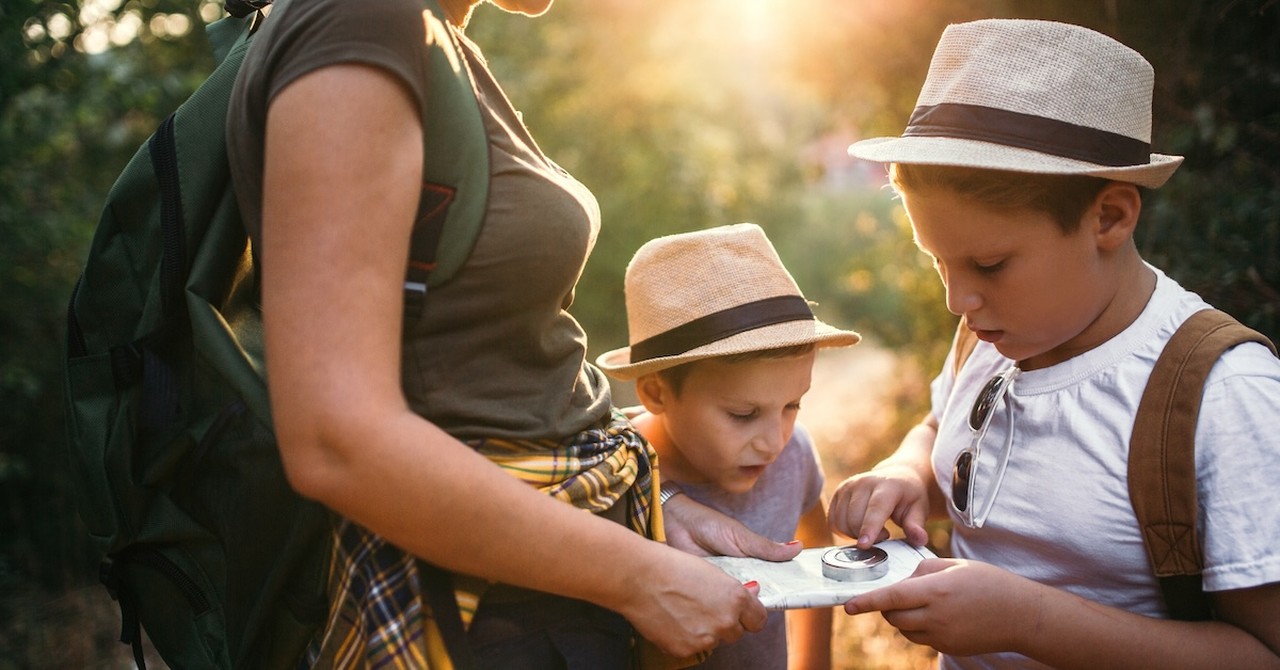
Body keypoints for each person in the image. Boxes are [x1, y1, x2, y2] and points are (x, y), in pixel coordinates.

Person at [224, 0, 801, 667]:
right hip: (489, 616)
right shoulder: (362, 19)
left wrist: (649, 513)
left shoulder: (431, 36)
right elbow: (335, 437)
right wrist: (639, 575)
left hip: (542, 591)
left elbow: (485, 379)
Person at [828, 18, 1280, 669]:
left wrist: (1029, 621)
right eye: (939, 263)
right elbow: (942, 430)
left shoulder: (1223, 398)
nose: (958, 300)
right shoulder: (993, 332)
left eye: (988, 265)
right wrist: (907, 472)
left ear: (1110, 217)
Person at [597, 223, 862, 670]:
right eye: (743, 414)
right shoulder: (610, 466)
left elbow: (817, 550)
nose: (775, 440)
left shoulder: (794, 454)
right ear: (656, 393)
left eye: (792, 404)